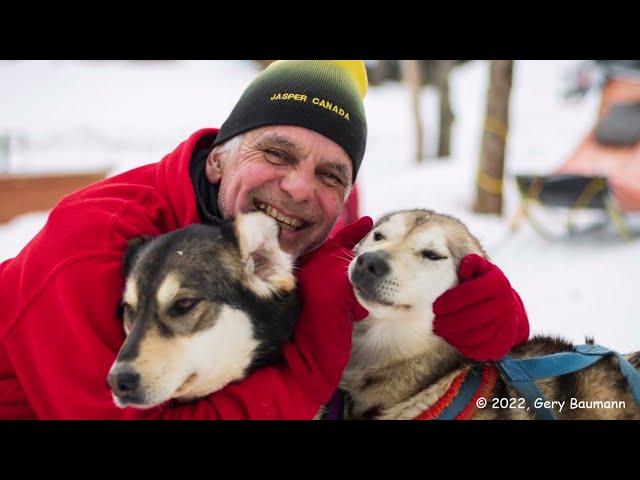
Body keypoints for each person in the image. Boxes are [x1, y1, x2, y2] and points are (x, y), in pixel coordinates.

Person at [0, 60, 529, 419]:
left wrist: (498, 318)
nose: (299, 187)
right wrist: (311, 353)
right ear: (217, 160)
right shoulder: (91, 249)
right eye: (277, 154)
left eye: (330, 175)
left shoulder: (298, 236)